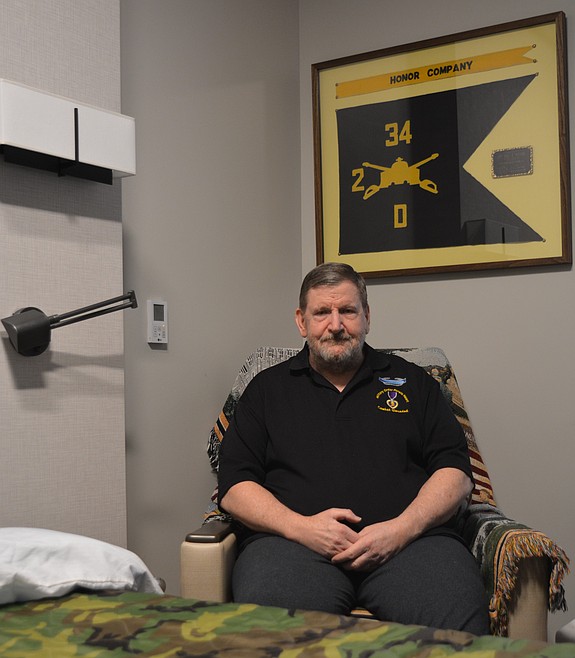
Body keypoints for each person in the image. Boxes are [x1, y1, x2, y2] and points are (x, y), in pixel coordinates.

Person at [218, 262, 489, 635]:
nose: (335, 325)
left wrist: (400, 529)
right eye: (321, 313)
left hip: (413, 547)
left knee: (459, 627)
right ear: (301, 321)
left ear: (367, 317)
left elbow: (455, 473)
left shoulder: (414, 382)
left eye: (347, 311)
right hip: (290, 549)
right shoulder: (266, 390)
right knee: (271, 633)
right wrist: (302, 528)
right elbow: (234, 484)